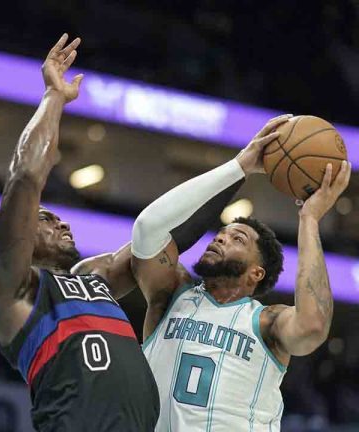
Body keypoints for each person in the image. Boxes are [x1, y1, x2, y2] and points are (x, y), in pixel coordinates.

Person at [0, 33, 245, 431]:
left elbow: (164, 239)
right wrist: (54, 96)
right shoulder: (11, 285)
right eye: (46, 219)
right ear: (12, 235)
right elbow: (25, 178)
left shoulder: (92, 277)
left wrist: (241, 168)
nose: (62, 223)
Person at [131, 114, 352, 431]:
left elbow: (313, 327)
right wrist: (239, 167)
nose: (221, 238)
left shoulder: (266, 323)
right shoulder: (171, 296)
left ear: (256, 273)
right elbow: (147, 229)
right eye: (221, 233)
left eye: (238, 239)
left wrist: (310, 220)